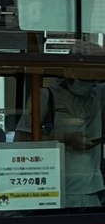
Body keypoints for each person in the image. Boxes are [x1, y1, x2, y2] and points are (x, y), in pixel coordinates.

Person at [15, 75, 105, 209]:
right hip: (54, 189)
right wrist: (66, 139)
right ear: (69, 74)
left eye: (93, 79)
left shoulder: (97, 94)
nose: (90, 83)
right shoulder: (45, 97)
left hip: (91, 191)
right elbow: (21, 138)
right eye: (85, 79)